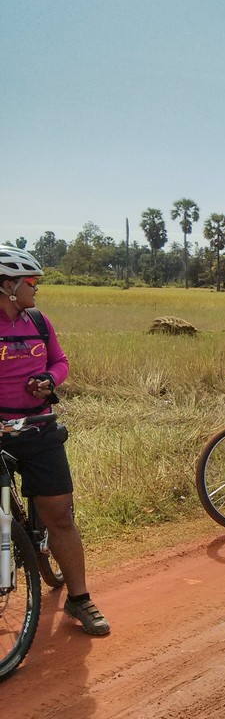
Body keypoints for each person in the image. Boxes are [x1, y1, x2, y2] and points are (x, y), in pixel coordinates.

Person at [0, 246, 110, 636]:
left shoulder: (39, 322)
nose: (36, 288)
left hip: (39, 427)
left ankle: (79, 598)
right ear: (8, 286)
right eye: (30, 281)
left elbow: (60, 362)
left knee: (60, 516)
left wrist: (50, 380)